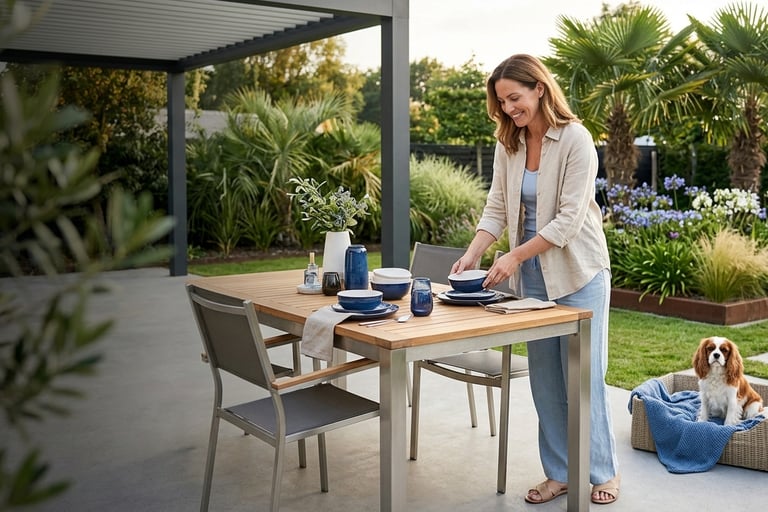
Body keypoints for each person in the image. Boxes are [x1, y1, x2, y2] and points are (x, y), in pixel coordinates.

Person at [450, 54, 620, 505]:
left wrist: (513, 256)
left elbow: (567, 221)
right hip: (534, 280)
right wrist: (473, 254)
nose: (508, 109)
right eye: (502, 101)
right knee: (545, 380)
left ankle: (603, 470)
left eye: (514, 98)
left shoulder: (577, 140)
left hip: (579, 273)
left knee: (584, 378)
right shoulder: (509, 144)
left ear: (539, 89)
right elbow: (496, 208)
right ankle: (560, 472)